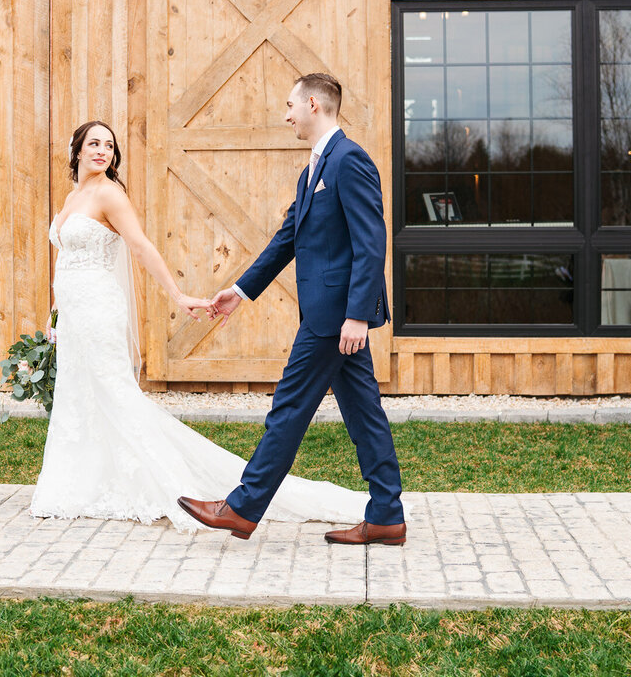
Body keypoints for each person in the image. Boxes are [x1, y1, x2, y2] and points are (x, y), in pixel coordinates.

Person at [30, 119, 369, 531]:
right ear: (77, 149)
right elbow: (65, 261)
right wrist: (54, 315)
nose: (103, 151)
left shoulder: (109, 194)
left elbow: (140, 246)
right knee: (77, 394)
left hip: (99, 310)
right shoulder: (70, 198)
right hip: (73, 315)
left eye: (110, 145)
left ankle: (171, 485)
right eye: (94, 144)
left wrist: (177, 295)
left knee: (114, 393)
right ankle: (79, 481)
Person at [179, 74, 407, 546]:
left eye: (289, 105)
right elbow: (288, 239)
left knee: (287, 409)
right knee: (365, 414)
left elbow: (371, 243)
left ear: (312, 104)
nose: (286, 116)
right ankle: (386, 514)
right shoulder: (312, 172)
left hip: (335, 319)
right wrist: (239, 292)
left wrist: (358, 316)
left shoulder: (349, 160)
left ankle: (241, 508)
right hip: (332, 318)